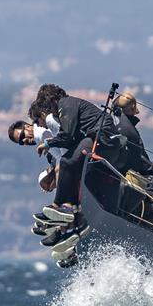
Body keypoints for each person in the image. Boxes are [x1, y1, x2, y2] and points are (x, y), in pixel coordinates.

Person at [33, 84, 123, 222]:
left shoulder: (65, 104)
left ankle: (59, 205)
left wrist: (47, 144)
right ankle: (71, 208)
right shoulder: (67, 104)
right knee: (70, 163)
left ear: (51, 100)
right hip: (98, 137)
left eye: (48, 106)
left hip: (103, 138)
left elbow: (67, 135)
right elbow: (70, 137)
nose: (49, 110)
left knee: (67, 162)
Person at [112, 93, 153, 185]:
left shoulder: (110, 119)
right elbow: (139, 158)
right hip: (121, 175)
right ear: (133, 109)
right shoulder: (130, 131)